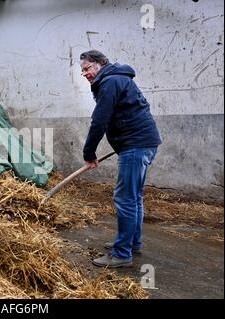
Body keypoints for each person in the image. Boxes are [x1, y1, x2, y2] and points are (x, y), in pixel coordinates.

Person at [79, 50, 162, 268]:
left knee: (125, 198)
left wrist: (89, 153)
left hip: (135, 146)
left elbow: (99, 120)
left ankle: (122, 253)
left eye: (87, 68)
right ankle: (131, 243)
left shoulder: (111, 81)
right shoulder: (117, 79)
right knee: (134, 198)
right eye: (82, 71)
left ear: (100, 64)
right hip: (141, 143)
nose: (85, 74)